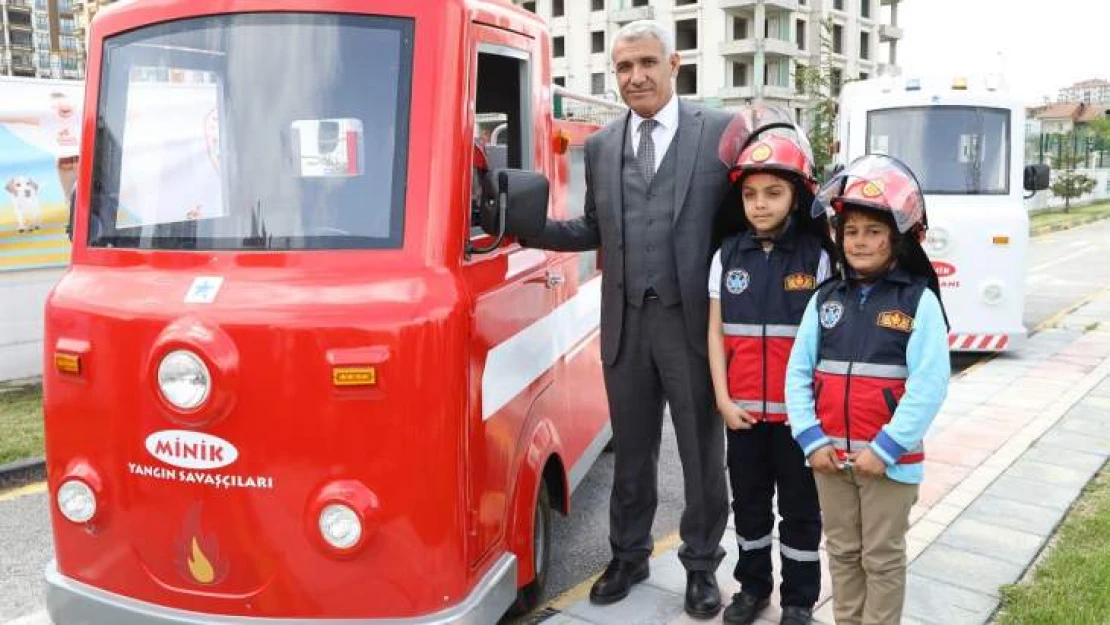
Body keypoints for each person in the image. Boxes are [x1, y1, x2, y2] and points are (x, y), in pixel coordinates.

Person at [519, 20, 733, 619]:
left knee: (700, 453)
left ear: (675, 64)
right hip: (626, 325)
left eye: (646, 63)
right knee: (633, 451)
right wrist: (526, 224)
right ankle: (629, 555)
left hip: (693, 326)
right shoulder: (606, 145)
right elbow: (592, 227)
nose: (635, 76)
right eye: (623, 67)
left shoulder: (718, 133)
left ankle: (700, 565)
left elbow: (744, 226)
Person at [785, 154, 951, 625]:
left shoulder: (918, 302)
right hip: (830, 459)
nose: (859, 240)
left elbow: (930, 384)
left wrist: (887, 448)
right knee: (841, 552)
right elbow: (798, 374)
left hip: (888, 465)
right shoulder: (825, 299)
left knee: (880, 557)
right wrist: (811, 439)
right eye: (850, 229)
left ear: (898, 238)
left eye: (873, 231)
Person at [707, 107, 835, 625]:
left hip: (799, 423)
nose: (760, 204)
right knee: (752, 511)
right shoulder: (727, 254)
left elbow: (827, 342)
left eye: (773, 193)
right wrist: (721, 399)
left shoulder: (817, 257)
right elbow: (714, 333)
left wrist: (813, 417)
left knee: (802, 514)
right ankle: (752, 589)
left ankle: (800, 600)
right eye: (750, 194)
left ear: (796, 197)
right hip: (743, 418)